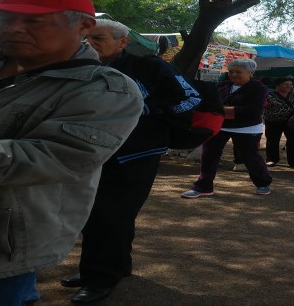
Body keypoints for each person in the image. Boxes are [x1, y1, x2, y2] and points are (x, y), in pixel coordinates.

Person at [0, 0, 144, 306]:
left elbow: (43, 159)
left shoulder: (106, 90)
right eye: (3, 18)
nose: (13, 28)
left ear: (84, 26)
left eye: (34, 21)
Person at [60, 19, 203, 304]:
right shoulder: (81, 67)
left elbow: (191, 98)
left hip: (135, 154)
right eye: (86, 38)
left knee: (109, 214)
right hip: (90, 151)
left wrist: (146, 107)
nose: (90, 43)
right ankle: (112, 268)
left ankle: (99, 278)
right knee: (97, 212)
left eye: (98, 38)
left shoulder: (149, 67)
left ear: (123, 42)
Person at [181, 58, 272, 197]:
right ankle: (204, 186)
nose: (233, 75)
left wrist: (222, 109)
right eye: (231, 71)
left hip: (247, 127)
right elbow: (210, 101)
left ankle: (263, 183)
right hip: (220, 124)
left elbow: (253, 110)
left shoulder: (259, 88)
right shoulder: (224, 85)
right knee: (209, 154)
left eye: (238, 72)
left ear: (250, 72)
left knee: (249, 156)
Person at [263, 77, 294, 168]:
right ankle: (272, 159)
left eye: (290, 85)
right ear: (277, 85)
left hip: (292, 121)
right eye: (286, 84)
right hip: (273, 121)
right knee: (272, 140)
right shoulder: (269, 95)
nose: (289, 86)